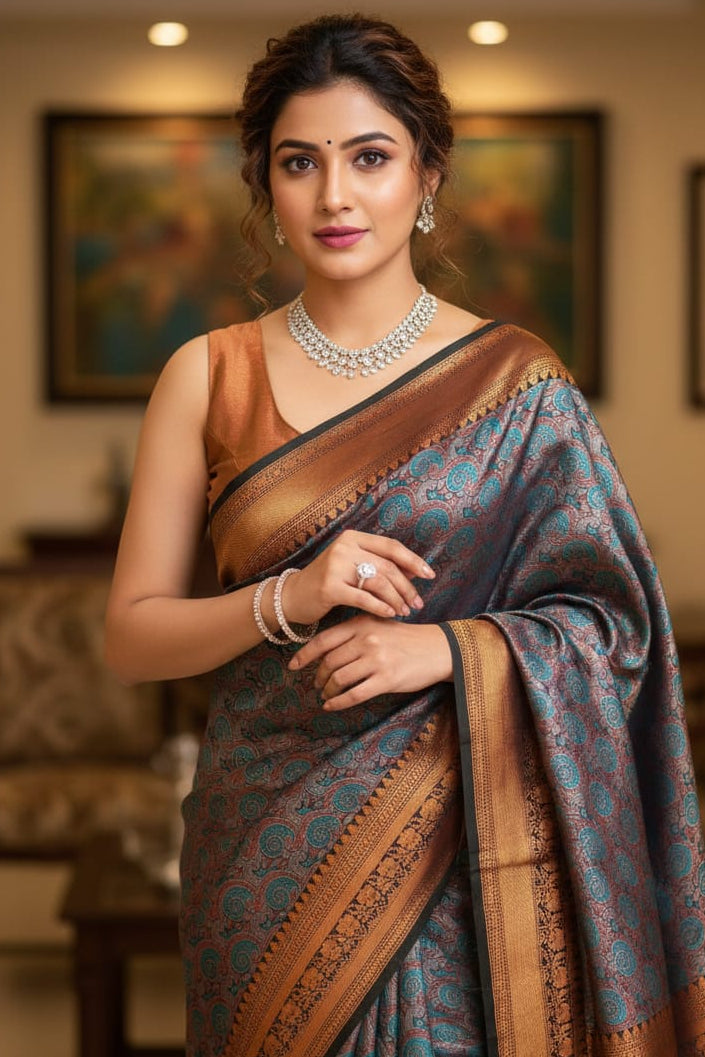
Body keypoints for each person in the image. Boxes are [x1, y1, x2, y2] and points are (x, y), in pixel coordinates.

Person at [104, 13, 705, 1057]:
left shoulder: (521, 387)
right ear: (266, 186)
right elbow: (131, 635)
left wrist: (448, 648)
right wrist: (285, 598)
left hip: (465, 855)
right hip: (264, 855)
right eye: (301, 163)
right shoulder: (206, 375)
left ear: (427, 176)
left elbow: (618, 627)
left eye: (370, 158)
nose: (335, 196)